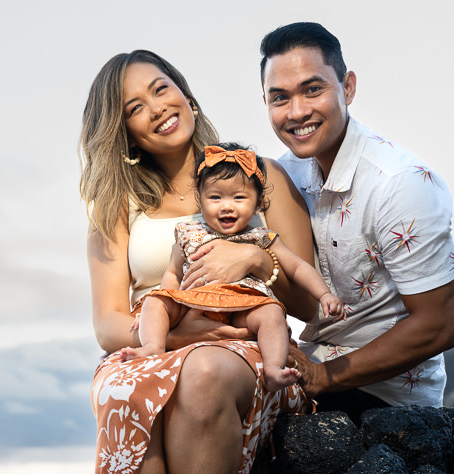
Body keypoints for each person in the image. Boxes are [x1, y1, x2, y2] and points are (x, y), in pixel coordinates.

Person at [80, 50, 315, 474]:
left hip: (249, 352)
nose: (157, 105)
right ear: (121, 132)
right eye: (134, 106)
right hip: (154, 346)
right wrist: (179, 334)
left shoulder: (251, 173)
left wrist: (256, 256)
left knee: (207, 373)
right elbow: (106, 322)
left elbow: (299, 296)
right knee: (132, 393)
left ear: (184, 91)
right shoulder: (116, 206)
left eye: (162, 87)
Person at [259, 22, 454, 423]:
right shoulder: (285, 176)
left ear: (347, 87)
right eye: (279, 98)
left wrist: (322, 377)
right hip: (313, 371)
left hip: (386, 401)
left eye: (312, 89)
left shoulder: (400, 185)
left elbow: (437, 326)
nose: (296, 112)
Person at [120, 142, 345, 391]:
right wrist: (164, 303)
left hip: (243, 306)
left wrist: (324, 294)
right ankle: (153, 346)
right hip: (192, 303)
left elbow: (298, 268)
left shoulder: (262, 237)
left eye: (239, 197)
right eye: (215, 197)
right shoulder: (188, 234)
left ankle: (273, 368)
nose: (227, 205)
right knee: (154, 301)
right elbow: (173, 274)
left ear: (258, 204)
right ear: (201, 200)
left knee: (271, 314)